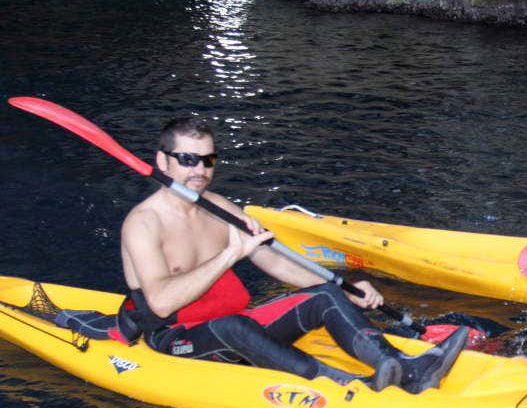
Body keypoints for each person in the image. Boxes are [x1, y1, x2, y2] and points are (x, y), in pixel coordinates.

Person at [117, 116, 467, 392]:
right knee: (233, 327)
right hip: (177, 340)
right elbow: (161, 303)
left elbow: (272, 259)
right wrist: (228, 255)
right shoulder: (143, 223)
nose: (200, 170)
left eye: (208, 160)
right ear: (162, 161)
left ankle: (406, 367)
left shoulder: (219, 207)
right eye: (188, 159)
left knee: (326, 296)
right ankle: (345, 386)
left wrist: (350, 292)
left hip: (236, 328)